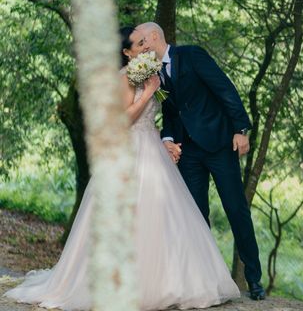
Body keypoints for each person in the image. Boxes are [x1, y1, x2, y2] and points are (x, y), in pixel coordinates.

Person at [3, 26, 241, 310]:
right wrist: (147, 92)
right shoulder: (123, 78)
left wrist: (163, 138)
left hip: (151, 149)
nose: (143, 47)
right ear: (126, 52)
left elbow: (156, 117)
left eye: (144, 42)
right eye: (137, 45)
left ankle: (170, 280)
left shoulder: (148, 74)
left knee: (163, 214)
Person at [133, 22, 265, 300]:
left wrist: (241, 130)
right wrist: (167, 139)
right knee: (195, 215)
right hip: (189, 152)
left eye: (143, 42)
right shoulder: (154, 75)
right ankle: (204, 280)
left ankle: (254, 279)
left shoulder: (192, 56)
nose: (142, 48)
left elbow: (224, 89)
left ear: (155, 37)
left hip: (219, 145)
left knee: (236, 210)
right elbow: (170, 114)